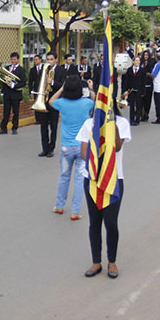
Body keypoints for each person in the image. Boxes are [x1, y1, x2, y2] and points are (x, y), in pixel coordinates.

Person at [77, 99, 132, 278]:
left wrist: (112, 123)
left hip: (114, 180)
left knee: (111, 222)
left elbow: (117, 146)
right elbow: (84, 152)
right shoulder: (88, 123)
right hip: (92, 179)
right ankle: (96, 262)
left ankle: (112, 262)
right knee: (94, 222)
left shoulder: (122, 123)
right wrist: (96, 127)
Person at [50, 75, 94, 220]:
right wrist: (91, 88)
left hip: (66, 147)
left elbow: (50, 101)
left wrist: (61, 88)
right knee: (80, 179)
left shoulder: (61, 103)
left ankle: (59, 206)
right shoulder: (86, 103)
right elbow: (95, 101)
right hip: (82, 146)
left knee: (64, 176)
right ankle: (75, 211)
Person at [31, 52, 59, 157]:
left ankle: (51, 148)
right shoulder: (44, 70)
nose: (49, 62)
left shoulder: (60, 70)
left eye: (51, 59)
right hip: (43, 101)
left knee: (53, 127)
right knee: (43, 127)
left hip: (54, 103)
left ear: (56, 60)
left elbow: (63, 85)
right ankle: (44, 148)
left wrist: (52, 83)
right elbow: (38, 83)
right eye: (48, 59)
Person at [0, 52, 26, 135]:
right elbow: (4, 81)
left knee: (16, 112)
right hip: (7, 94)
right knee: (6, 112)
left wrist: (14, 85)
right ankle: (3, 128)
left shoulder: (21, 70)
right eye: (12, 59)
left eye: (14, 59)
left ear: (18, 59)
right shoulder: (7, 68)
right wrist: (2, 92)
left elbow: (23, 83)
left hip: (16, 94)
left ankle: (14, 128)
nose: (13, 61)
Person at [122, 57, 144, 125]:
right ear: (133, 62)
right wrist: (125, 90)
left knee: (138, 105)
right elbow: (126, 81)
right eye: (136, 60)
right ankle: (131, 119)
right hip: (131, 90)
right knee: (131, 105)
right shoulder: (129, 70)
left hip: (139, 90)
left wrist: (143, 91)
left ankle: (137, 119)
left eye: (139, 61)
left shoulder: (142, 70)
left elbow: (143, 81)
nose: (137, 62)